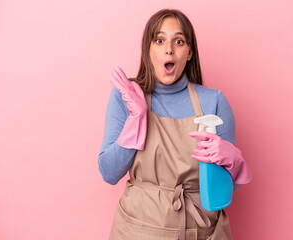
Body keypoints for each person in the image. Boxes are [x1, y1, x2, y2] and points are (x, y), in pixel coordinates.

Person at [98, 8, 252, 240]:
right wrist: (136, 119)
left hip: (200, 231)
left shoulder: (214, 101)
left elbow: (223, 192)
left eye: (178, 41)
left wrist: (233, 163)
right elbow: (109, 173)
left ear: (189, 52)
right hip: (137, 230)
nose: (168, 49)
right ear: (148, 49)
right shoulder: (126, 96)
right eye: (159, 40)